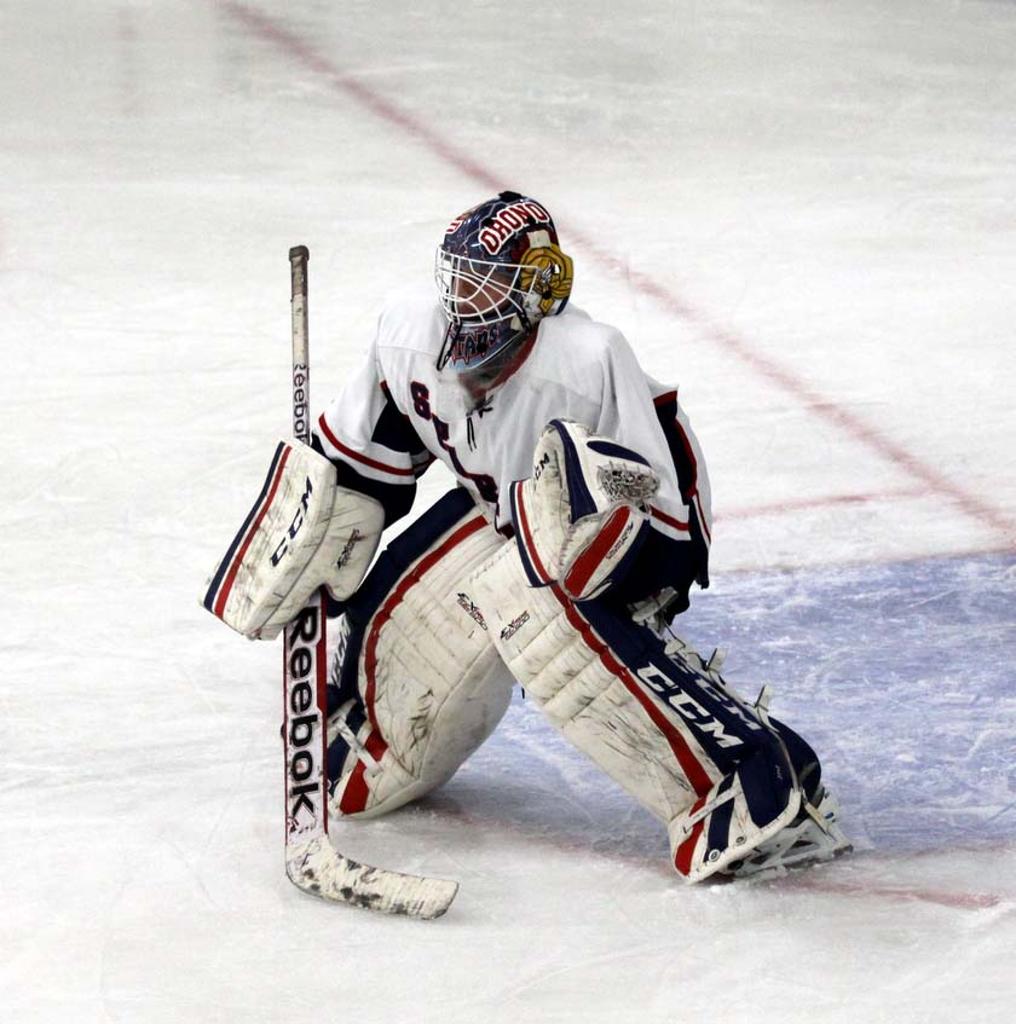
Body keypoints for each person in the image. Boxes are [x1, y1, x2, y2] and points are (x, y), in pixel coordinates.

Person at [208, 191, 849, 882]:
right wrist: (314, 533)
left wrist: (609, 579)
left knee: (539, 603)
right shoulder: (407, 337)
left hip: (630, 521)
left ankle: (748, 777)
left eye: (486, 282)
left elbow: (656, 518)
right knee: (367, 769)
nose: (464, 299)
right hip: (501, 511)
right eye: (457, 278)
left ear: (541, 287)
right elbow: (362, 474)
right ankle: (384, 722)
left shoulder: (588, 362)